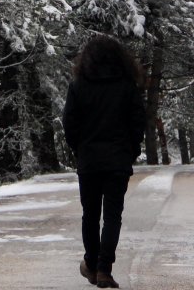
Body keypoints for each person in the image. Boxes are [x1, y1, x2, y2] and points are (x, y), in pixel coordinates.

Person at [61, 35, 147, 289]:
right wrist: (130, 150)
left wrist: (79, 148)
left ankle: (91, 260)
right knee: (112, 216)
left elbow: (70, 123)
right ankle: (104, 269)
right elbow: (137, 122)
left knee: (90, 215)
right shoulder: (127, 85)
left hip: (89, 160)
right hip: (117, 160)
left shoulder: (79, 86)